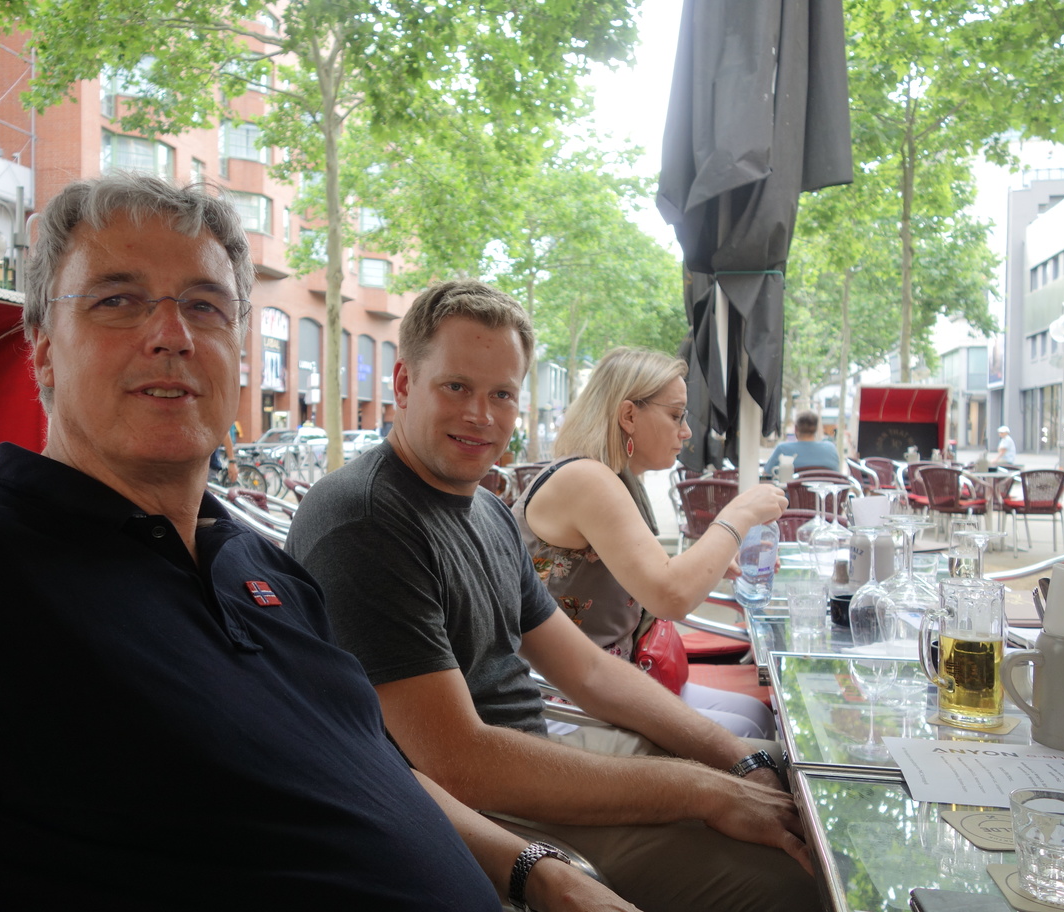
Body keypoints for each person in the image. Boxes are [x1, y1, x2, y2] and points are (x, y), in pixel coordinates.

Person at [0, 176, 634, 912]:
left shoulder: (268, 574)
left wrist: (538, 872)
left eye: (205, 306)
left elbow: (372, 766)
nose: (171, 334)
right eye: (116, 300)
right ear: (43, 354)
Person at [286, 280, 819, 912]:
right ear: (404, 383)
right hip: (471, 823)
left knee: (788, 781)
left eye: (502, 394)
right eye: (455, 387)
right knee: (795, 877)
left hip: (535, 762)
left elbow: (589, 670)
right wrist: (704, 791)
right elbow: (459, 762)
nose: (481, 415)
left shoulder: (484, 510)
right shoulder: (366, 522)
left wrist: (733, 758)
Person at [511, 347, 785, 739]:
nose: (686, 431)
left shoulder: (611, 478)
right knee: (746, 733)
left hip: (614, 681)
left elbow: (655, 579)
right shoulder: (587, 479)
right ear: (628, 416)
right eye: (676, 415)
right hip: (563, 698)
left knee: (757, 716)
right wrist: (739, 514)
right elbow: (670, 596)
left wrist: (711, 561)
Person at [764, 410, 839, 474]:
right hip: (825, 487)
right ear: (816, 429)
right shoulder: (830, 448)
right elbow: (837, 475)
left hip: (791, 487)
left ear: (796, 428)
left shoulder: (782, 449)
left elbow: (766, 474)